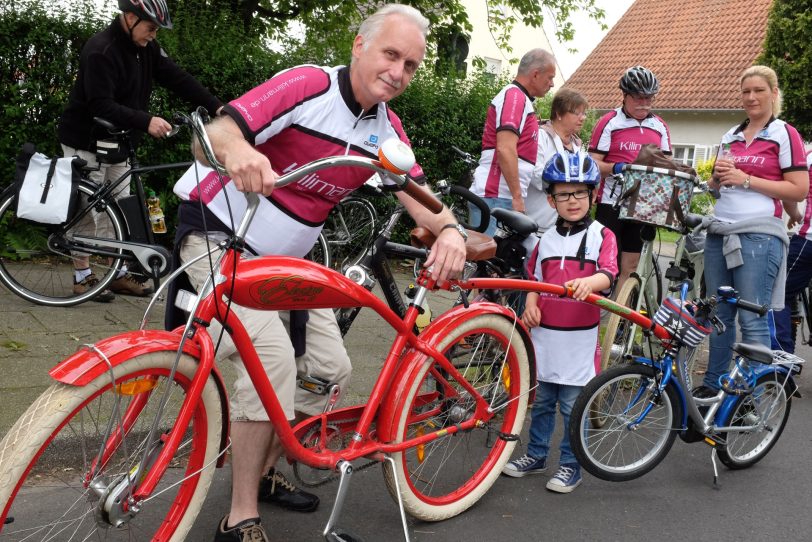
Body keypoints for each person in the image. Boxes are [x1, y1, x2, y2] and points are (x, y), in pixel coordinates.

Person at [168, 5, 467, 541]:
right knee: (274, 363)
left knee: (329, 369)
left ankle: (262, 468)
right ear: (359, 46)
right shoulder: (306, 85)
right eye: (390, 54)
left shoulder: (386, 135)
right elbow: (214, 133)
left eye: (412, 65)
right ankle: (240, 517)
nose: (399, 72)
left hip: (287, 266)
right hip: (219, 240)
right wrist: (238, 151)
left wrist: (449, 232)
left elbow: (424, 201)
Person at [58, 0, 223, 302]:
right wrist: (146, 121)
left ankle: (115, 273)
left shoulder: (144, 48)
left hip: (118, 141)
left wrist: (217, 106)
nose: (153, 35)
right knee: (86, 207)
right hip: (86, 139)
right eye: (150, 28)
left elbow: (176, 77)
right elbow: (100, 104)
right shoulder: (101, 50)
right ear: (131, 18)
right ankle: (82, 276)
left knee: (119, 207)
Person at [501, 151, 618, 493]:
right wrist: (532, 305)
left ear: (592, 195)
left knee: (572, 408)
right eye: (564, 194)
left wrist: (590, 283)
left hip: (578, 344)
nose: (573, 200)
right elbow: (534, 281)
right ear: (551, 200)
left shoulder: (602, 235)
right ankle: (536, 455)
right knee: (542, 404)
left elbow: (608, 274)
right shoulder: (544, 241)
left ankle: (571, 465)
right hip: (545, 341)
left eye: (580, 192)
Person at [695, 65, 808, 397]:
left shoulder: (784, 134)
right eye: (745, 91)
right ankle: (713, 388)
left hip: (758, 236)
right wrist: (716, 180)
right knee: (720, 316)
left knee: (751, 318)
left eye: (758, 90)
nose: (751, 97)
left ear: (773, 94)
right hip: (720, 232)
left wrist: (746, 179)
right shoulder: (730, 135)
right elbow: (718, 187)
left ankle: (751, 396)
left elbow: (799, 188)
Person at [588, 66, 671, 291]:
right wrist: (617, 167)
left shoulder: (660, 126)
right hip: (611, 201)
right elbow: (592, 164)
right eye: (638, 98)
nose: (644, 103)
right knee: (606, 261)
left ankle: (619, 320)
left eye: (649, 98)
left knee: (630, 264)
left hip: (643, 205)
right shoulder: (609, 122)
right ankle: (596, 314)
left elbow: (667, 165)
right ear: (624, 95)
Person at [469, 49, 557, 236]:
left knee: (496, 262)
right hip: (496, 197)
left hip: (499, 197)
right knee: (486, 262)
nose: (552, 84)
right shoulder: (515, 98)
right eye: (549, 78)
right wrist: (517, 197)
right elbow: (505, 148)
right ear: (535, 74)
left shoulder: (520, 99)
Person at [524, 88, 589, 255]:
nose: (583, 118)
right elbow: (532, 172)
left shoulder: (577, 145)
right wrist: (562, 184)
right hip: (538, 220)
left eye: (584, 113)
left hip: (565, 223)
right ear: (559, 113)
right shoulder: (541, 137)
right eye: (577, 113)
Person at [773, 151, 812, 353]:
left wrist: (795, 214)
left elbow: (789, 192)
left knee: (778, 293)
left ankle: (781, 360)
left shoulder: (808, 157)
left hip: (809, 239)